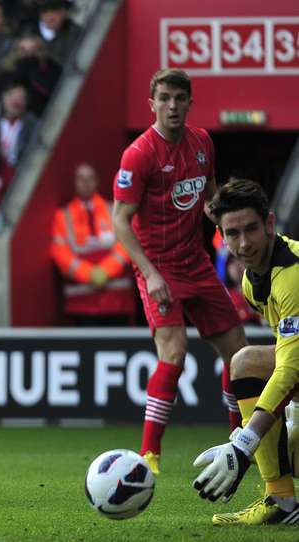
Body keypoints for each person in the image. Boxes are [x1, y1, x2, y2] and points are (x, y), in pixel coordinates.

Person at [112, 68, 247, 475]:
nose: (172, 106)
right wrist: (150, 275)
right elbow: (120, 220)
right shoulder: (138, 154)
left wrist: (223, 225)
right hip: (160, 267)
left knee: (239, 354)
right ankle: (150, 454)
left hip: (197, 263)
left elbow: (208, 194)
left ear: (190, 102)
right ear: (151, 104)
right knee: (174, 353)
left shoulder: (202, 141)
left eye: (179, 99)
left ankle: (239, 442)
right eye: (165, 98)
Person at [191, 179, 299, 525]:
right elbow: (286, 355)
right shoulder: (252, 281)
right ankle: (281, 501)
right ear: (221, 237)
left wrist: (244, 443)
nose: (243, 243)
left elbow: (290, 370)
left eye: (251, 229)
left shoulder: (292, 276)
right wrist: (241, 437)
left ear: (269, 223)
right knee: (245, 361)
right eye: (232, 234)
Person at [50, 162, 134, 326]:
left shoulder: (113, 211)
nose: (86, 183)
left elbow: (126, 245)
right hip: (81, 304)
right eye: (81, 179)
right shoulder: (63, 216)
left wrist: (106, 270)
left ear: (97, 181)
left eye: (90, 178)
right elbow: (60, 252)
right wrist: (88, 274)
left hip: (117, 301)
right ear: (75, 183)